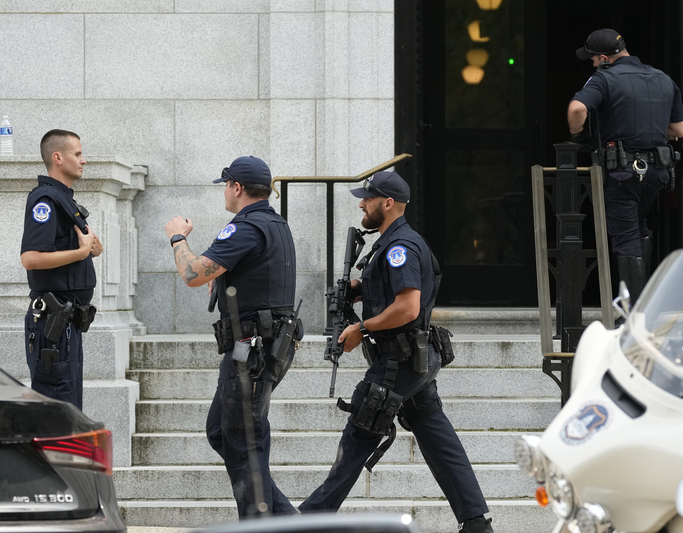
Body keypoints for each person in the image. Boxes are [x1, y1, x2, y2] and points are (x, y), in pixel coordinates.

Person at [298, 171, 494, 533]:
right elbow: (392, 293)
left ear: (387, 203)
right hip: (409, 361)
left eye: (367, 199)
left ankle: (306, 522)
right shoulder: (391, 244)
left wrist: (361, 328)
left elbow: (408, 308)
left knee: (358, 436)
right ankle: (477, 523)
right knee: (438, 440)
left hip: (399, 362)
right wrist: (360, 290)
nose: (361, 204)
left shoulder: (400, 247)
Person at [164, 155, 298, 519]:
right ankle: (291, 521)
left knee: (243, 445)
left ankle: (263, 526)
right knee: (223, 433)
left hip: (250, 352)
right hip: (264, 348)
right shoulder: (276, 223)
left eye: (226, 184)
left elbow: (192, 273)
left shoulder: (245, 227)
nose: (225, 191)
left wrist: (177, 237)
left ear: (237, 187)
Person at [567, 28, 683, 305]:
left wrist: (578, 137)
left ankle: (635, 316)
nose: (593, 64)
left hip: (621, 171)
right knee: (639, 228)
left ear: (605, 58)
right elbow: (678, 130)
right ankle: (644, 305)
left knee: (625, 238)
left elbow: (576, 109)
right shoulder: (663, 79)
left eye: (594, 59)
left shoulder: (603, 79)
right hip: (657, 172)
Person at [20, 129, 103, 410]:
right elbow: (30, 258)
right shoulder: (45, 201)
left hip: (67, 325)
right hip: (53, 324)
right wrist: (80, 252)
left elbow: (65, 250)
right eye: (78, 154)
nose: (84, 161)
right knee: (56, 414)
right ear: (58, 157)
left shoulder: (64, 200)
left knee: (68, 409)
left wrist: (91, 250)